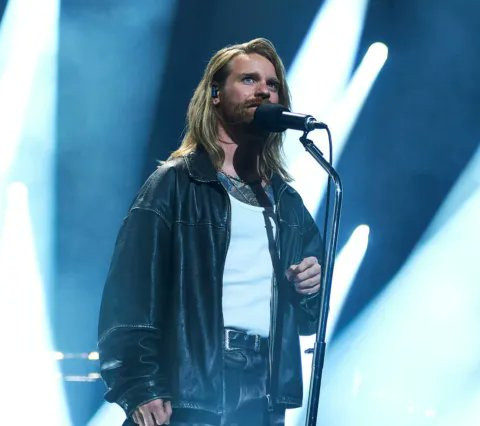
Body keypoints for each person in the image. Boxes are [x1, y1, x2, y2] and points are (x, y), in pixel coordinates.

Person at [98, 38, 323, 426]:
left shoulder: (287, 203)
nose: (264, 90)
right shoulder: (175, 184)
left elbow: (309, 319)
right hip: (192, 386)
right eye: (249, 79)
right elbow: (128, 292)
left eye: (272, 84)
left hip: (265, 390)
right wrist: (139, 385)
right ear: (215, 94)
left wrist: (311, 286)